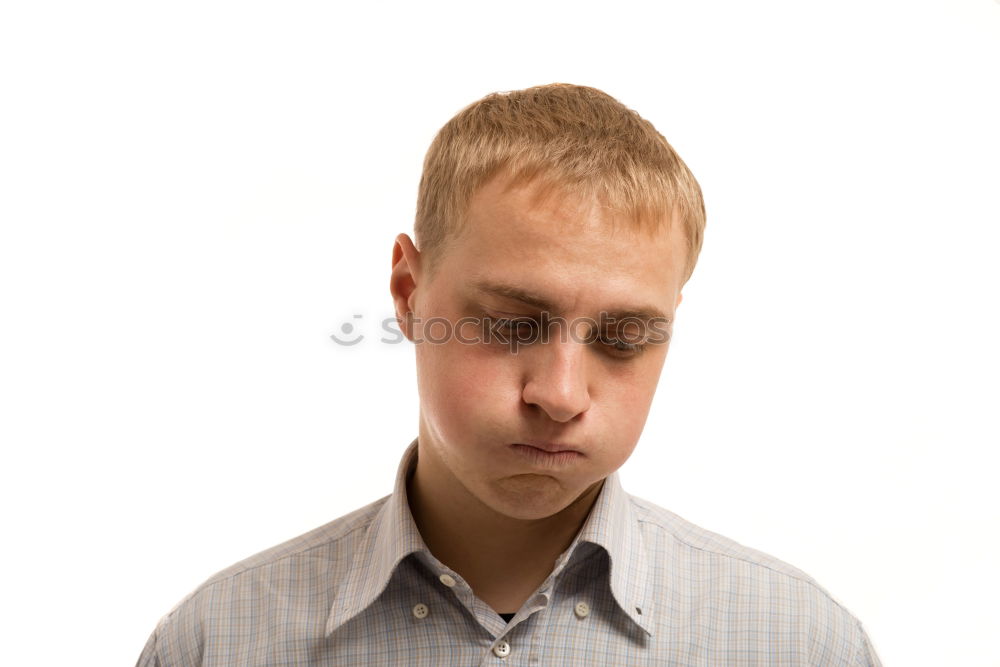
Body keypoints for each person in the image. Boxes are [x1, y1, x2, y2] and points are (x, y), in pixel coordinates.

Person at [136, 83, 881, 666]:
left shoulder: (801, 644)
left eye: (624, 338)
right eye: (512, 324)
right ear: (409, 292)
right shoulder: (218, 642)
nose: (559, 395)